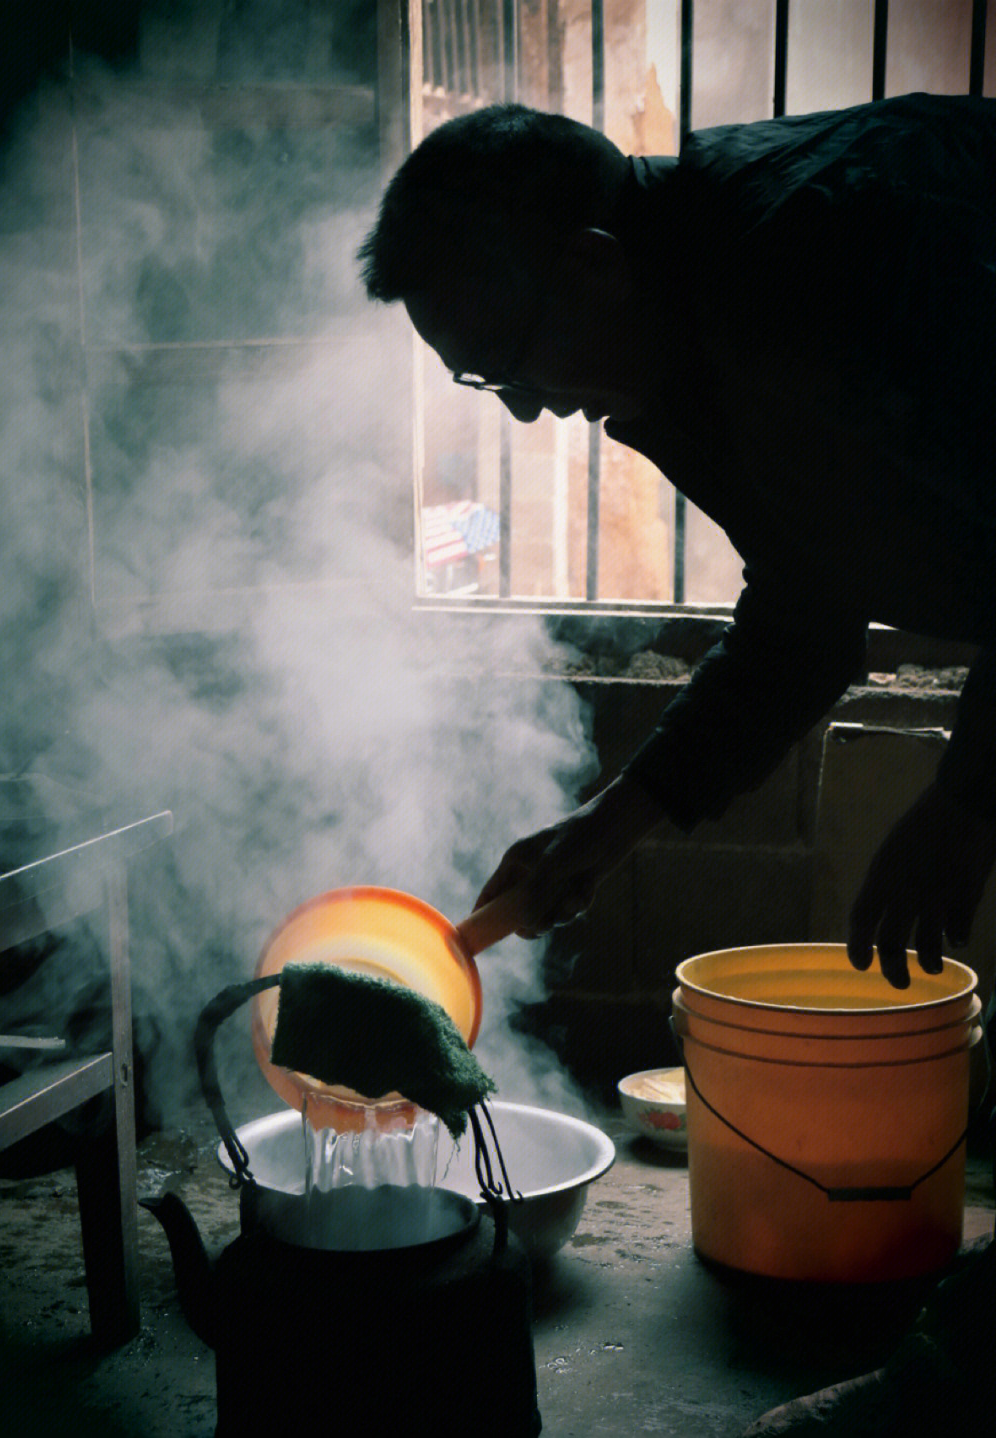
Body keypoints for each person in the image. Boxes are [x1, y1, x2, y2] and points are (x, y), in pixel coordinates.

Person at [358, 94, 996, 1437]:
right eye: (482, 382)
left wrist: (964, 798)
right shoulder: (674, 338)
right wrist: (614, 821)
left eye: (508, 359)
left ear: (590, 260)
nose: (526, 409)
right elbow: (811, 602)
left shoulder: (826, 249)